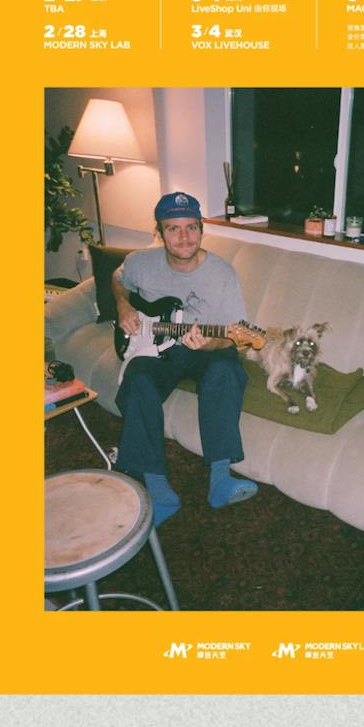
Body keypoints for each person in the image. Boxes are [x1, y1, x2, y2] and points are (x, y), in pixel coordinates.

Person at [111, 189, 258, 530]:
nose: (184, 237)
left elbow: (233, 337)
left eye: (192, 227)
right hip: (156, 347)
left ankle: (220, 479)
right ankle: (158, 489)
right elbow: (117, 278)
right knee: (138, 378)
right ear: (159, 232)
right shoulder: (140, 262)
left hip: (206, 347)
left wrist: (209, 344)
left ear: (202, 230)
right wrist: (123, 305)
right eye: (173, 229)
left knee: (227, 370)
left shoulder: (222, 274)